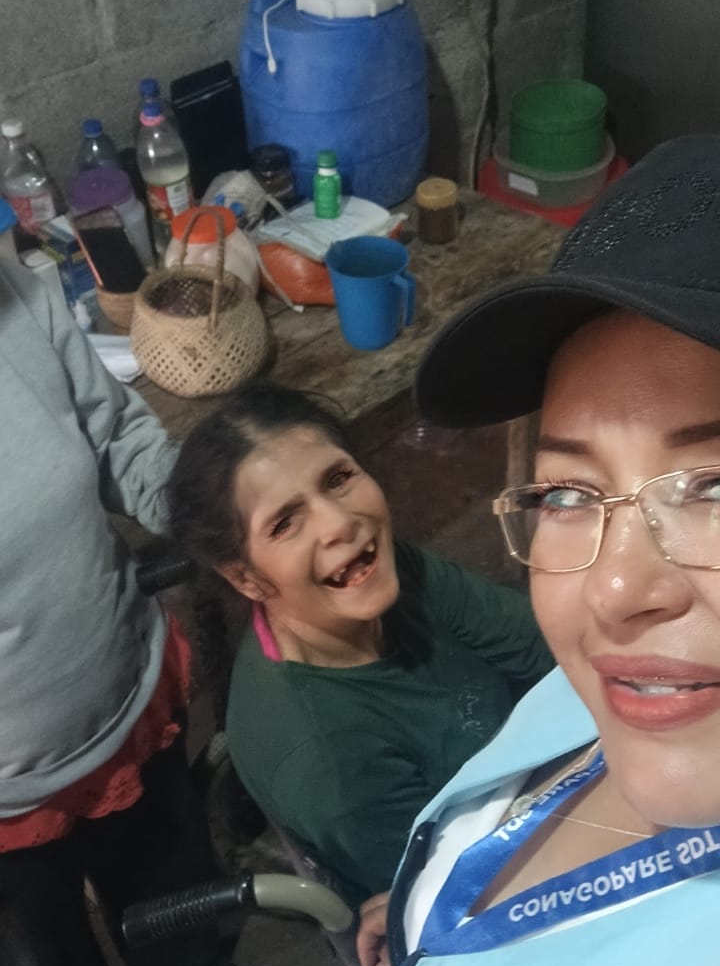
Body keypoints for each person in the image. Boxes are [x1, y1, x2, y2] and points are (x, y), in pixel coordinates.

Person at [328, 135, 720, 966]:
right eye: (567, 490)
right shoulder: (623, 690)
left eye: (715, 485)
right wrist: (429, 892)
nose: (614, 586)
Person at [0, 262, 279, 966]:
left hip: (123, 683)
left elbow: (114, 433)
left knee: (170, 872)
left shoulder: (16, 293)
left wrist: (229, 514)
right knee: (41, 962)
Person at [167, 383, 553, 906]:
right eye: (284, 523)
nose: (339, 523)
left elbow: (546, 652)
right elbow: (467, 890)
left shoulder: (386, 573)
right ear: (245, 578)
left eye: (337, 479)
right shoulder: (328, 760)